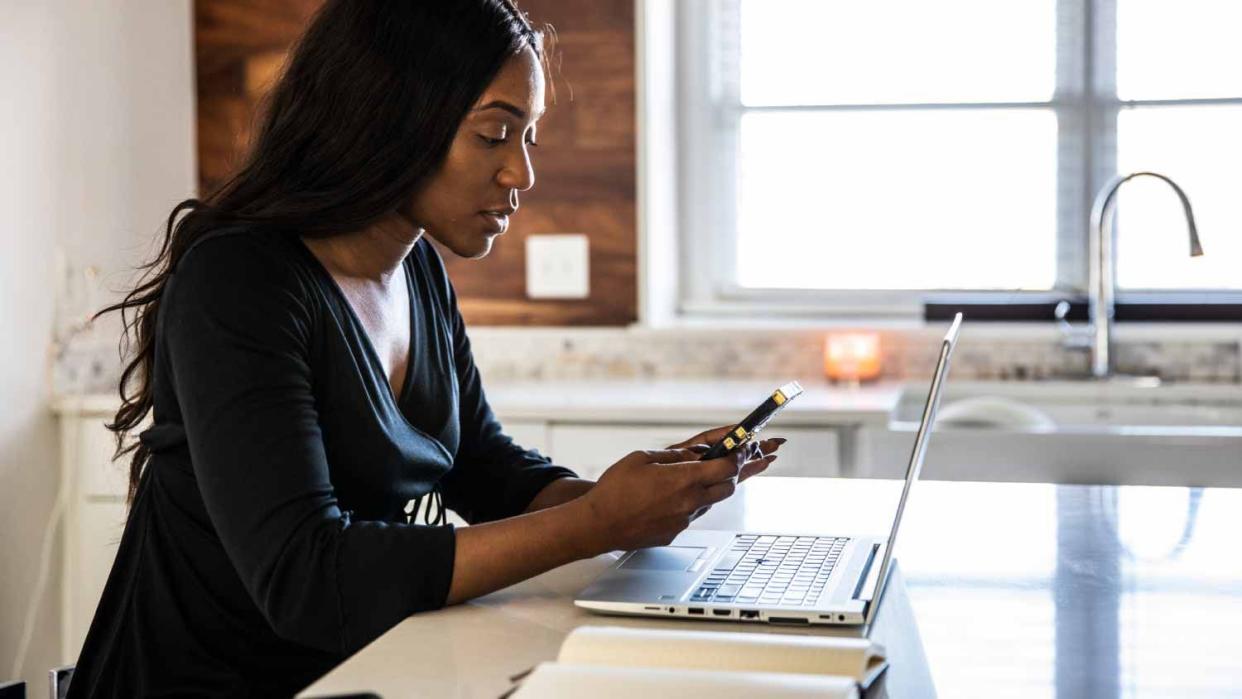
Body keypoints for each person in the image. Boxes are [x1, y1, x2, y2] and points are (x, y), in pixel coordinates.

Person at [70, 1, 782, 696]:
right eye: (494, 134)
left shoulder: (417, 272)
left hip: (363, 671)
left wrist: (641, 497)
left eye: (528, 136)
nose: (521, 175)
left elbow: (482, 467)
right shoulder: (241, 282)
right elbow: (308, 579)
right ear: (394, 116)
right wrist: (596, 523)